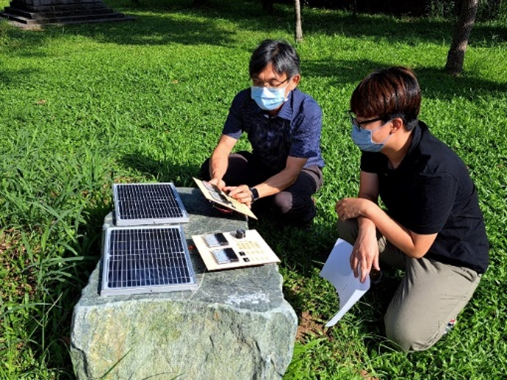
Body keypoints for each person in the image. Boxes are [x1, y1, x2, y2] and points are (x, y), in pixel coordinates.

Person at [335, 67, 489, 352]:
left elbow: (418, 248)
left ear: (394, 124)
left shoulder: (436, 170)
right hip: (405, 233)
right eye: (354, 117)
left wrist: (370, 210)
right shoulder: (376, 148)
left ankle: (444, 309)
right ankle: (388, 277)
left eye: (362, 121)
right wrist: (368, 225)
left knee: (403, 334)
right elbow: (367, 193)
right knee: (349, 222)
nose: (356, 126)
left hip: (448, 258)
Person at [200, 39, 324, 226]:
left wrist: (254, 192)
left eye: (273, 84)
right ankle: (259, 195)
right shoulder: (244, 100)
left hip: (302, 170)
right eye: (257, 82)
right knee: (209, 168)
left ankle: (306, 209)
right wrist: (216, 177)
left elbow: (292, 171)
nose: (264, 90)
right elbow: (224, 146)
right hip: (262, 162)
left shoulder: (307, 110)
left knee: (284, 202)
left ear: (293, 81)